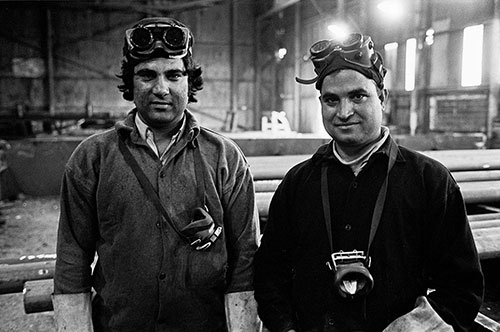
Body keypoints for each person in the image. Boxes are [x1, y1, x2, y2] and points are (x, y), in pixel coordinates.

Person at [254, 33, 483, 332]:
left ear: (383, 97)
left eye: (358, 96)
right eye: (331, 100)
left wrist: (413, 327)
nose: (344, 112)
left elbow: (462, 288)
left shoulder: (429, 181)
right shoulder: (299, 183)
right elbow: (270, 273)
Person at [53, 17, 260, 332]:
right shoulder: (91, 158)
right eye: (147, 75)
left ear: (189, 81)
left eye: (174, 74)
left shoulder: (225, 158)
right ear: (130, 82)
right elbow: (72, 259)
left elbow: (245, 260)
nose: (161, 88)